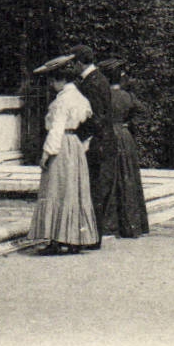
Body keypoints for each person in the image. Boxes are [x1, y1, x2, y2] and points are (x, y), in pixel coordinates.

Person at [28, 57, 99, 255]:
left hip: (61, 145)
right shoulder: (80, 97)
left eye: (52, 81)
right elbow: (89, 122)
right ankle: (75, 238)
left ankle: (57, 239)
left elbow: (56, 129)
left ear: (59, 80)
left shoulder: (61, 101)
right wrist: (82, 146)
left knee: (56, 189)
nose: (50, 85)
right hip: (74, 145)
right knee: (74, 191)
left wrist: (46, 153)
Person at [65, 45, 116, 242]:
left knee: (94, 190)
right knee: (96, 190)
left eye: (73, 63)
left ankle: (93, 237)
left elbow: (96, 117)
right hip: (102, 141)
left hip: (97, 143)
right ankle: (93, 236)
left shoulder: (92, 83)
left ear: (79, 62)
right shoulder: (98, 79)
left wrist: (77, 135)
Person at [99, 58, 150, 238]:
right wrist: (127, 123)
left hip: (107, 136)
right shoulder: (128, 96)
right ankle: (131, 224)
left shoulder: (102, 96)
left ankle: (109, 225)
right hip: (124, 136)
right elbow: (143, 112)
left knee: (108, 178)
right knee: (128, 178)